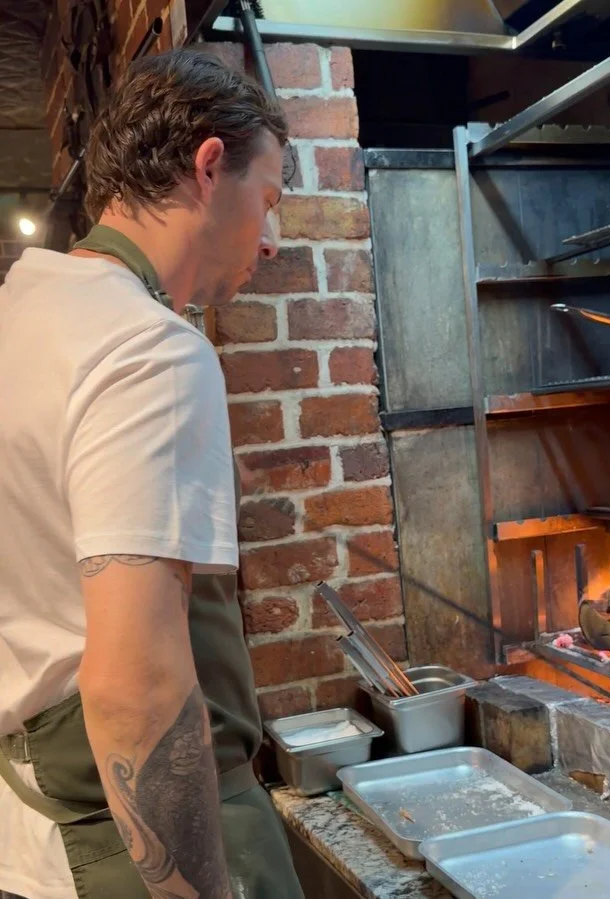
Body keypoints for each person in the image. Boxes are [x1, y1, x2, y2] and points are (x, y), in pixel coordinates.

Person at [0, 49, 305, 899]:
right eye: (270, 197)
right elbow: (134, 684)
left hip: (34, 825)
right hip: (128, 845)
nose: (272, 238)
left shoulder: (23, 314)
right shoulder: (150, 348)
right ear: (210, 168)